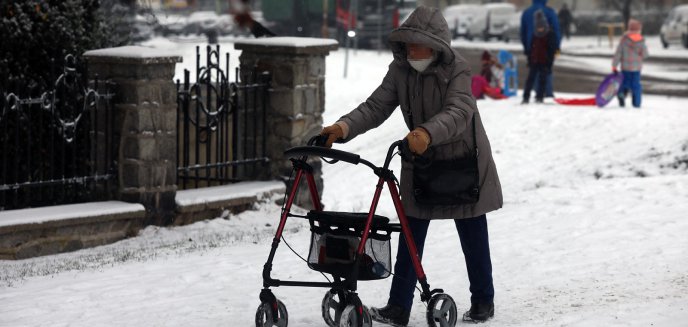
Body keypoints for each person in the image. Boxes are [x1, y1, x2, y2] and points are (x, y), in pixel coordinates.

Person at [319, 6, 503, 326]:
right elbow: (376, 106)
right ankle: (399, 306)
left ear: (436, 45)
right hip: (422, 158)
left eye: (418, 44)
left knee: (472, 231)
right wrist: (343, 127)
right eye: (408, 43)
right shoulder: (401, 69)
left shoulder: (457, 69)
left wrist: (427, 132)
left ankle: (483, 299)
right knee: (410, 231)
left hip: (463, 161)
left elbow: (460, 110)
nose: (412, 50)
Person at [521, 0, 560, 101]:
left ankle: (529, 94)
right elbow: (556, 30)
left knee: (532, 74)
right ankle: (546, 93)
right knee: (546, 71)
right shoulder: (549, 12)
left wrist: (526, 47)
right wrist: (557, 47)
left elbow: (523, 31)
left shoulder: (526, 12)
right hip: (547, 50)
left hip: (532, 47)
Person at [612, 19, 648, 108]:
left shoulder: (624, 40)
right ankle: (636, 103)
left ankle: (621, 94)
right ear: (639, 29)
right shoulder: (641, 41)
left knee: (625, 83)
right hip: (636, 68)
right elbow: (645, 55)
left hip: (625, 67)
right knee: (636, 85)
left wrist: (614, 65)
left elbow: (618, 53)